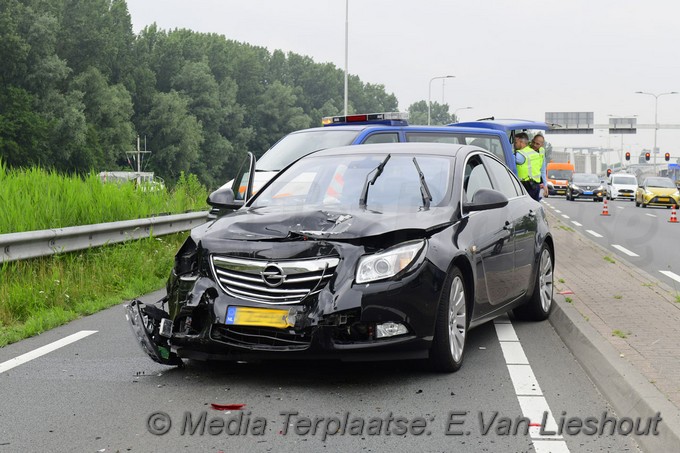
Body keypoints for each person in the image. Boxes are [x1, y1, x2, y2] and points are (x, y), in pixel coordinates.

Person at [513, 132, 544, 201]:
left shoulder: (520, 155)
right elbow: (542, 169)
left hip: (527, 186)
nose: (514, 144)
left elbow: (507, 160)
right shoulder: (533, 152)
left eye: (515, 142)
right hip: (535, 186)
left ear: (521, 142)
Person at [530, 134, 549, 199]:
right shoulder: (526, 150)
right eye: (534, 142)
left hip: (535, 184)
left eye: (537, 144)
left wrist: (545, 185)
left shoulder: (541, 152)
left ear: (542, 145)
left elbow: (543, 170)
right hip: (525, 183)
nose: (534, 145)